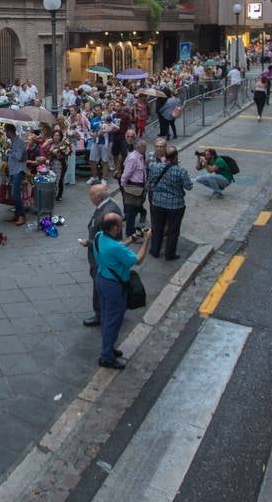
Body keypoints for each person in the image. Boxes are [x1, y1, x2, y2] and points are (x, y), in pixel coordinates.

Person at [92, 212, 146, 369]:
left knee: (107, 316)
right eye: (120, 223)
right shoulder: (114, 247)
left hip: (101, 279)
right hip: (113, 286)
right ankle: (106, 356)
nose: (123, 224)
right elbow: (138, 259)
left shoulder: (99, 237)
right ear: (115, 228)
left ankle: (108, 347)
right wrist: (146, 241)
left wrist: (132, 239)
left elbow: (119, 247)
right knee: (113, 320)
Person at [81, 183, 118, 327]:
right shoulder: (106, 207)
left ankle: (101, 315)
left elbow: (107, 241)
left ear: (98, 196)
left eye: (91, 195)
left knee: (99, 286)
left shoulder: (107, 212)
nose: (90, 198)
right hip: (100, 255)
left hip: (100, 258)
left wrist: (88, 243)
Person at [147, 146, 193, 261]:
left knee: (157, 227)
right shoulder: (180, 171)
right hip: (175, 204)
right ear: (176, 156)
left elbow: (151, 180)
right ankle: (170, 254)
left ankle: (154, 250)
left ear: (165, 156)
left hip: (158, 202)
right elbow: (189, 186)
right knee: (173, 229)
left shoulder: (156, 167)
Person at [120, 137, 148, 233]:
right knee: (131, 209)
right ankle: (130, 231)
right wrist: (124, 186)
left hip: (140, 186)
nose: (146, 148)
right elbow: (127, 173)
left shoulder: (140, 156)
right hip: (133, 187)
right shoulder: (133, 158)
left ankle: (131, 228)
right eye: (144, 147)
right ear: (138, 147)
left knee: (136, 206)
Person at [5, 124, 30, 226]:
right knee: (14, 194)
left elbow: (19, 156)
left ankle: (22, 216)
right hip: (13, 170)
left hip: (18, 170)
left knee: (15, 194)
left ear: (10, 132)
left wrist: (10, 151)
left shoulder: (20, 142)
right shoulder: (13, 142)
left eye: (6, 131)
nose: (5, 133)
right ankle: (17, 214)